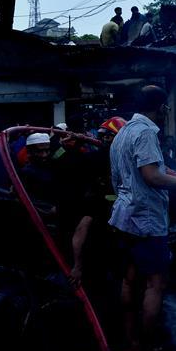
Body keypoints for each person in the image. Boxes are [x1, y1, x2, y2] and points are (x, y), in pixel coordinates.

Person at [108, 85, 176, 351]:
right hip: (145, 220)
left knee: (130, 282)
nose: (167, 112)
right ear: (161, 107)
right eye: (166, 107)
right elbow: (152, 176)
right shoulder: (145, 133)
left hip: (123, 217)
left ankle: (131, 346)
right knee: (155, 285)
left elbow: (129, 175)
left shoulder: (123, 133)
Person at [68, 117, 126, 322]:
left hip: (106, 252)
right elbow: (82, 227)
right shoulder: (117, 166)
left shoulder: (93, 163)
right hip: (106, 250)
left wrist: (77, 266)